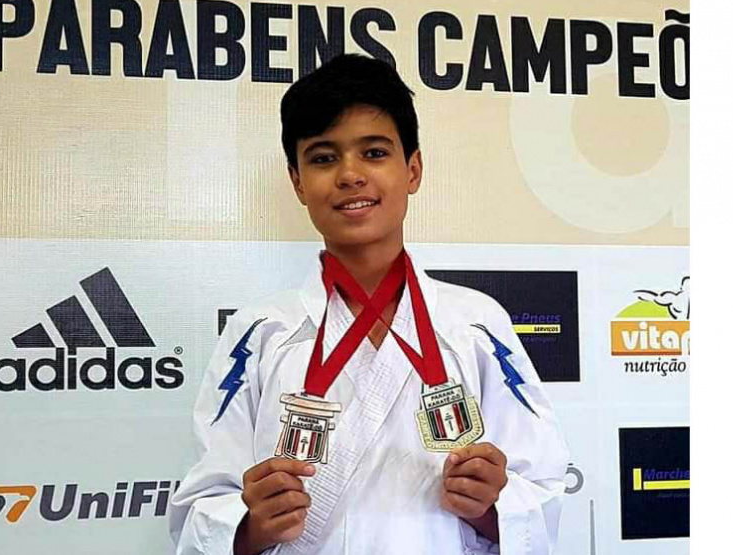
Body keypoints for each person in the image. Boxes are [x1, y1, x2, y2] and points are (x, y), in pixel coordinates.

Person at [168, 54, 569, 555]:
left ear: (413, 169)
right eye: (322, 157)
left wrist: (492, 505)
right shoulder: (261, 333)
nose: (350, 175)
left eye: (375, 153)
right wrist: (252, 526)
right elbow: (202, 507)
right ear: (297, 182)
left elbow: (545, 488)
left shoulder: (476, 325)